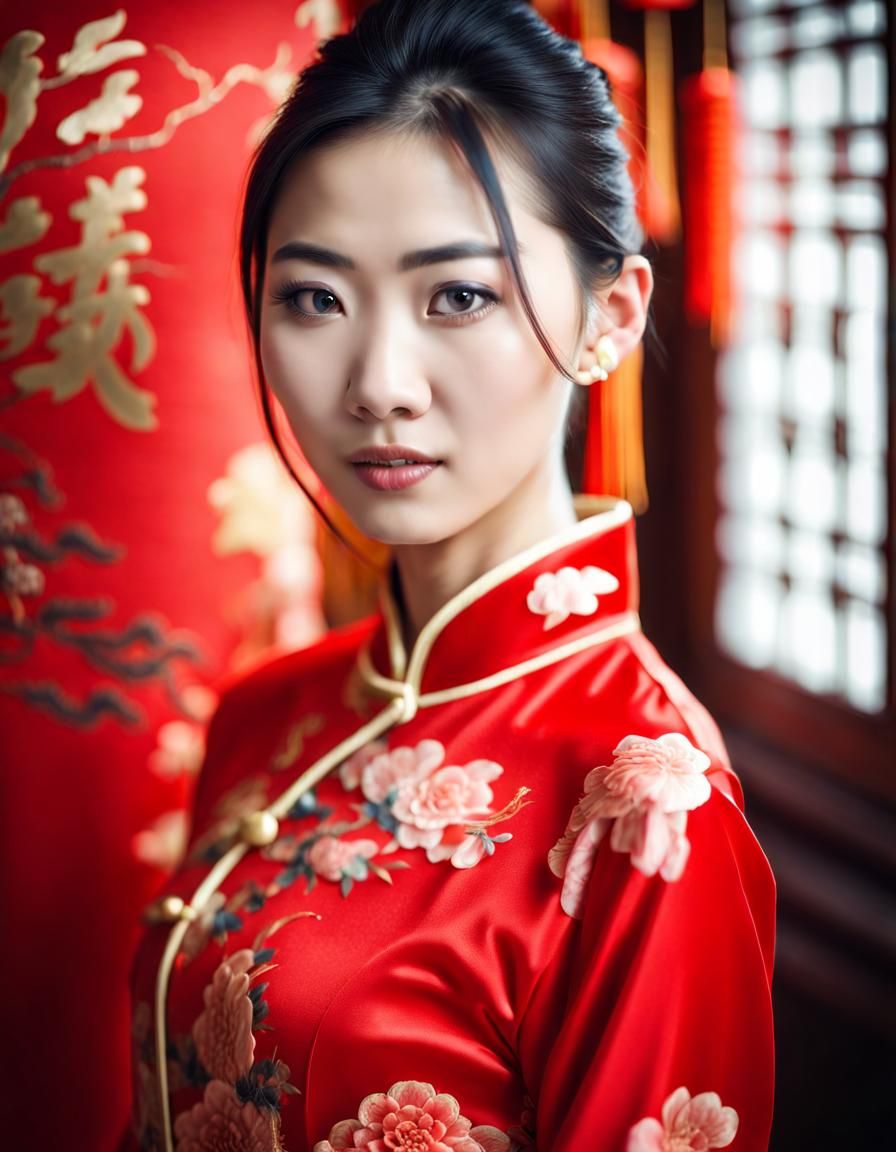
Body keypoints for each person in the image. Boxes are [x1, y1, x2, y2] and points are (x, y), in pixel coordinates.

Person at [125, 1, 775, 1149]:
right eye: (314, 297)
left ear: (608, 318)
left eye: (458, 295)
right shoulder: (267, 711)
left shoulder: (643, 806)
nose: (379, 381)